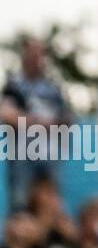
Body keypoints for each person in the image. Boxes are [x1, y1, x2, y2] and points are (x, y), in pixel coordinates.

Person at [2, 38, 68, 208]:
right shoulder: (14, 85)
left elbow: (67, 120)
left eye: (39, 55)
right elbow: (7, 115)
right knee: (20, 203)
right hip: (22, 156)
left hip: (50, 155)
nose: (36, 59)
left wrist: (32, 121)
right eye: (32, 54)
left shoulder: (53, 87)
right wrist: (39, 122)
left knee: (50, 206)